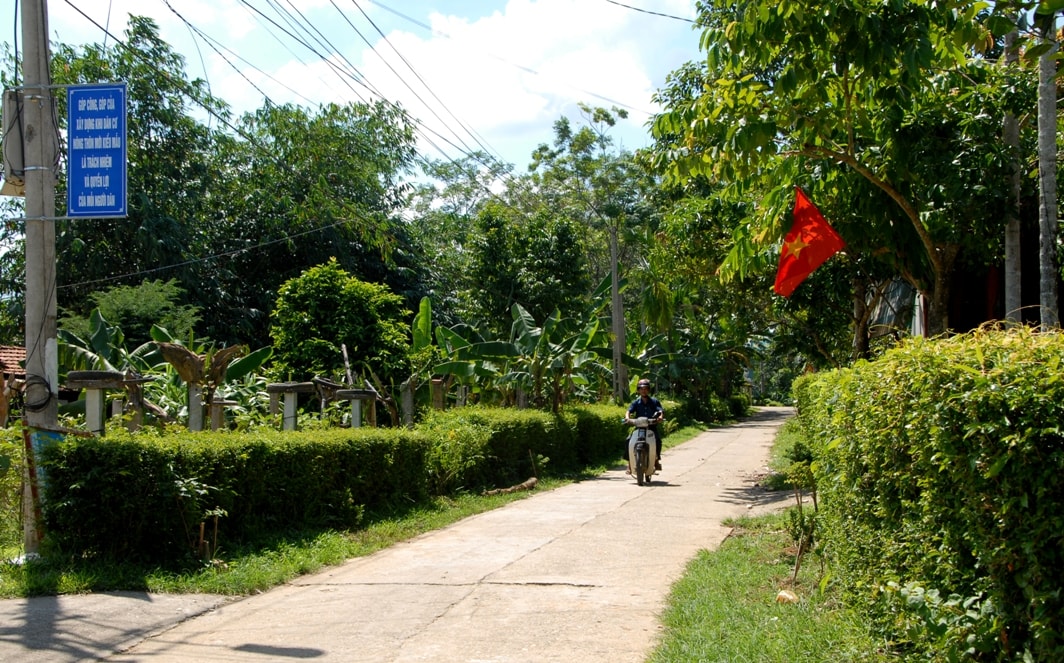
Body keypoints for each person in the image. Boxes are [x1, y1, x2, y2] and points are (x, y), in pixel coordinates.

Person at [626, 378, 664, 470]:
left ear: (648, 390)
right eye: (641, 389)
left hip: (651, 427)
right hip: (639, 428)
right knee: (628, 440)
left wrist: (660, 417)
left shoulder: (654, 401)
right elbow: (629, 411)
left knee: (657, 441)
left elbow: (660, 410)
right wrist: (627, 418)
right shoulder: (636, 402)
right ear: (638, 390)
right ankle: (630, 463)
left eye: (646, 388)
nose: (643, 391)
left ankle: (656, 460)